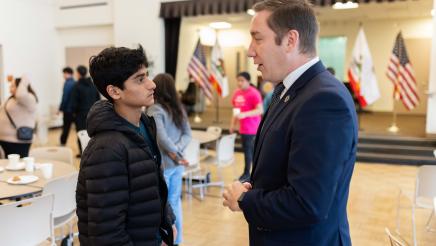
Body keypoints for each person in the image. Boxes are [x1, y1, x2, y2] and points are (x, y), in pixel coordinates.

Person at [222, 1, 358, 245]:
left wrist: (244, 201)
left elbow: (308, 203)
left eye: (258, 38)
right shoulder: (287, 90)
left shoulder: (323, 100)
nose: (250, 51)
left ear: (290, 40)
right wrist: (252, 189)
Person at [76, 45, 175, 245]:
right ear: (114, 91)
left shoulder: (145, 125)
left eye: (147, 75)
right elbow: (106, 233)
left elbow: (152, 184)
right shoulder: (106, 149)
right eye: (140, 79)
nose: (152, 84)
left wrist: (166, 224)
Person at [147, 73, 191, 246]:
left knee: (166, 205)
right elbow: (187, 135)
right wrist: (178, 152)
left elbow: (161, 138)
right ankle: (177, 240)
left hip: (165, 165)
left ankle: (172, 240)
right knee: (175, 202)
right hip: (177, 164)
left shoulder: (155, 109)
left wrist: (174, 153)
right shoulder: (178, 108)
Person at [230, 71, 263, 182]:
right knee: (247, 151)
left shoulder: (254, 93)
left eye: (242, 80)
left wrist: (245, 114)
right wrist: (232, 125)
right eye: (238, 80)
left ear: (248, 81)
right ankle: (250, 174)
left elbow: (260, 110)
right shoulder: (236, 93)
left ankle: (248, 174)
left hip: (253, 128)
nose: (239, 83)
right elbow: (236, 111)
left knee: (250, 152)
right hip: (243, 129)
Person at [0, 76, 38, 157]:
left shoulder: (29, 98)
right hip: (5, 140)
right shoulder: (12, 98)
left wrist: (24, 79)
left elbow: (21, 95)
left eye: (13, 85)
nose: (10, 87)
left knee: (19, 165)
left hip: (18, 140)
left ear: (20, 87)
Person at [70, 65, 100, 156]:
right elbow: (98, 99)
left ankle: (82, 152)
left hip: (80, 115)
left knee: (81, 134)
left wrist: (73, 113)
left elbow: (73, 102)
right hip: (93, 113)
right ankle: (93, 151)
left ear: (78, 73)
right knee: (93, 134)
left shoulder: (76, 86)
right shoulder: (93, 85)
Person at [58, 67, 76, 146]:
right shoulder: (75, 82)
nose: (63, 75)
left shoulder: (67, 83)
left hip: (68, 110)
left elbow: (65, 97)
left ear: (67, 73)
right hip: (74, 109)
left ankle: (62, 142)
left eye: (64, 74)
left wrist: (60, 108)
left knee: (66, 127)